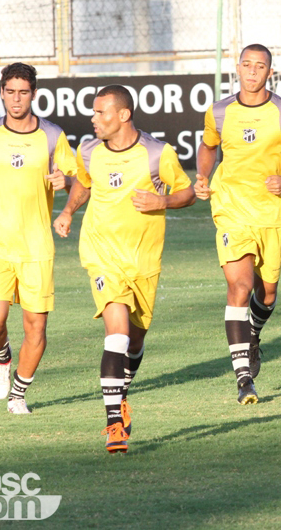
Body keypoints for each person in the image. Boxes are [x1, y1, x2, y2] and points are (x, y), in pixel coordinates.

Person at [53, 85, 195, 453]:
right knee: (115, 333)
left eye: (100, 112)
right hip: (101, 254)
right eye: (93, 112)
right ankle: (114, 424)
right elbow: (83, 183)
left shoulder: (157, 153)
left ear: (123, 115)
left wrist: (161, 201)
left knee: (134, 339)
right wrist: (67, 211)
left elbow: (187, 192)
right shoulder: (89, 150)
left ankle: (122, 392)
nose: (93, 119)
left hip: (143, 261)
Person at [194, 44, 281, 405]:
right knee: (240, 285)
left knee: (267, 294)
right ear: (237, 68)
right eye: (246, 65)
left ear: (270, 72)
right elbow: (208, 146)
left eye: (259, 66)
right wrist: (203, 175)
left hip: (269, 213)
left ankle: (252, 332)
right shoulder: (219, 111)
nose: (252, 71)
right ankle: (244, 379)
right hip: (230, 208)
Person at [0, 62, 76, 414]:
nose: (16, 99)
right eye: (10, 92)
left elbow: (79, 180)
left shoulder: (53, 135)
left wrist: (66, 184)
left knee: (36, 327)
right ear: (1, 93)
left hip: (37, 247)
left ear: (34, 94)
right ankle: (1, 356)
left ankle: (18, 395)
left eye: (23, 92)